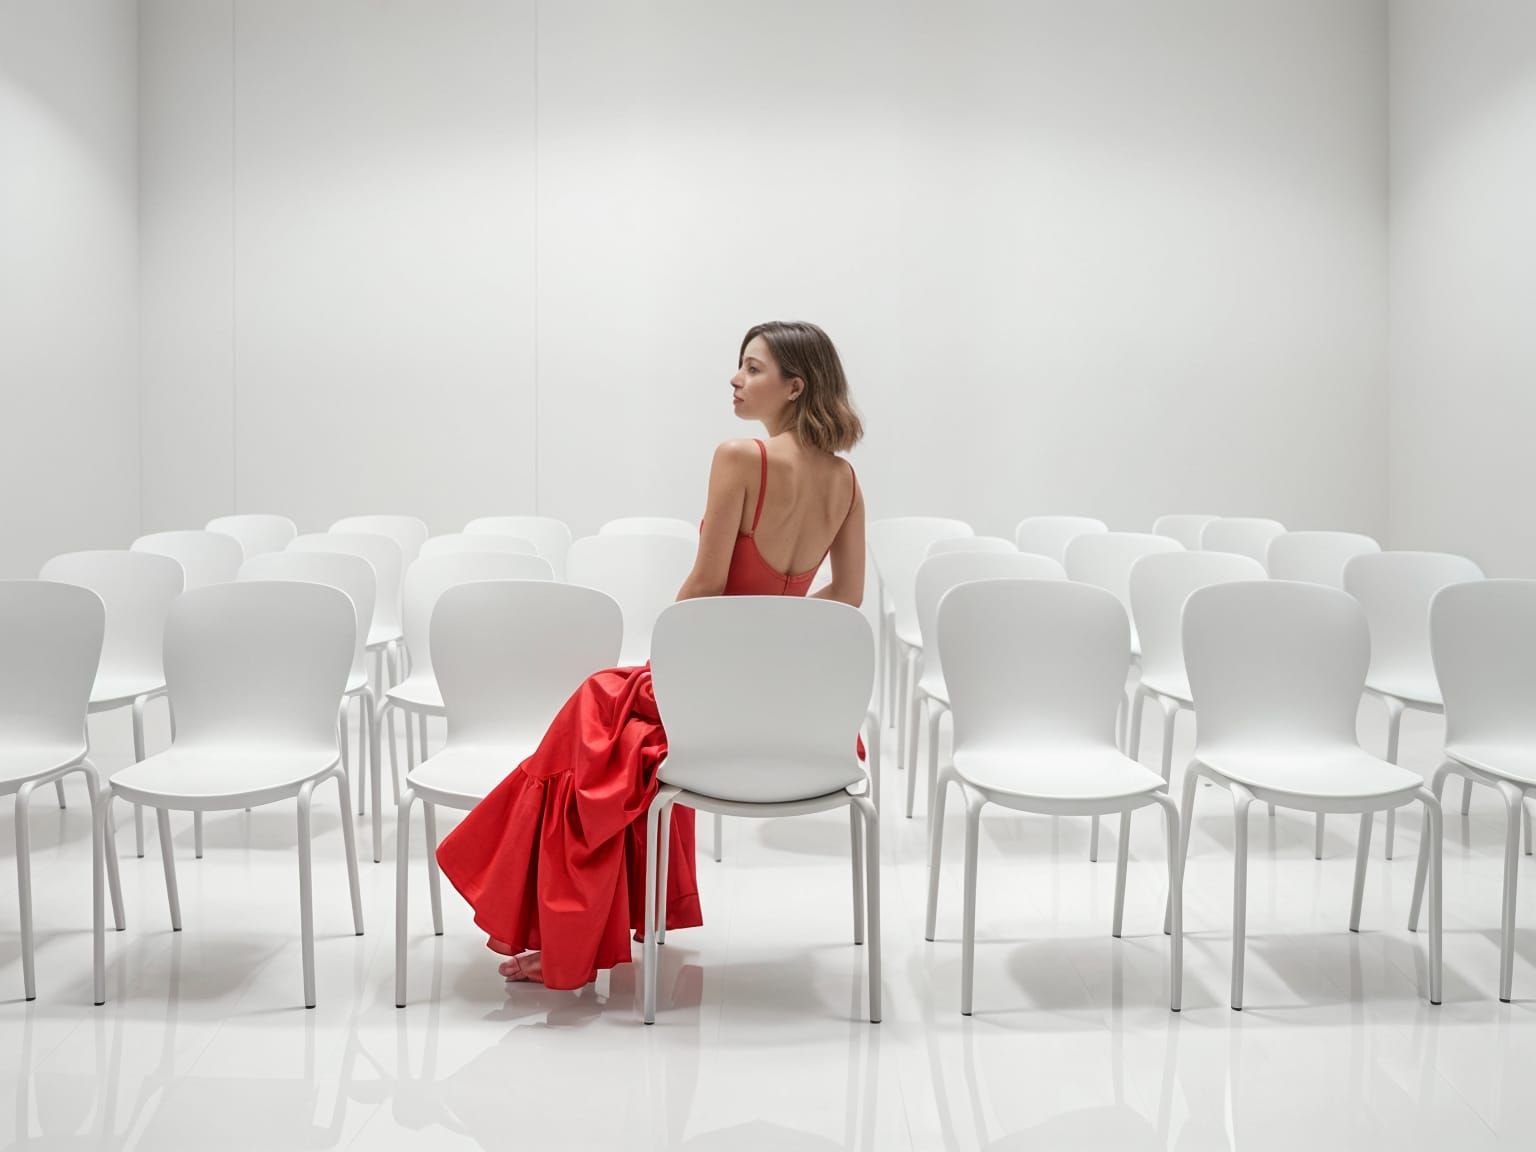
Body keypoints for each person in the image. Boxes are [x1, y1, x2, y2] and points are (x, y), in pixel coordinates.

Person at [434, 321, 866, 988]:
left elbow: (707, 584)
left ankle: (564, 935)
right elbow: (848, 596)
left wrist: (665, 654)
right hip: (783, 708)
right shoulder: (845, 482)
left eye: (752, 368)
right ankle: (590, 929)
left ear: (794, 386)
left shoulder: (740, 457)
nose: (735, 378)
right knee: (606, 731)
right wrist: (780, 633)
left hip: (710, 690)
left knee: (592, 723)